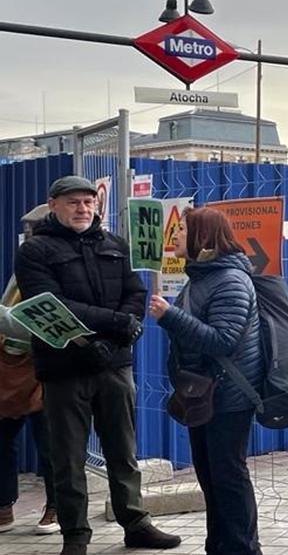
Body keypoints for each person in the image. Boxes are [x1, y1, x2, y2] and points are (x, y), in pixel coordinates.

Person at [13, 176, 181, 555]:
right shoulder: (35, 250)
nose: (83, 209)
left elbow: (134, 294)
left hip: (114, 365)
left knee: (123, 450)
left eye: (89, 203)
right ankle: (75, 535)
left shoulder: (114, 245)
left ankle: (136, 524)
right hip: (64, 368)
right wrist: (104, 332)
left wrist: (118, 333)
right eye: (73, 202)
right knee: (67, 456)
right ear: (53, 204)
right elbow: (48, 304)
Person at [148, 207, 263, 555]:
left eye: (182, 229)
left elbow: (223, 340)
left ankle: (243, 549)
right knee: (210, 477)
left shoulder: (230, 279)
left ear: (203, 236)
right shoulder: (200, 277)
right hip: (203, 393)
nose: (175, 236)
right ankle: (219, 547)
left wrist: (171, 316)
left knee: (228, 478)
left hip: (229, 395)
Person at [0, 204, 58, 536]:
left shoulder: (54, 266)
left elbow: (36, 321)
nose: (29, 238)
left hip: (45, 364)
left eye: (35, 231)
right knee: (3, 437)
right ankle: (4, 504)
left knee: (50, 440)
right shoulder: (24, 264)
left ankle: (56, 506)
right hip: (12, 364)